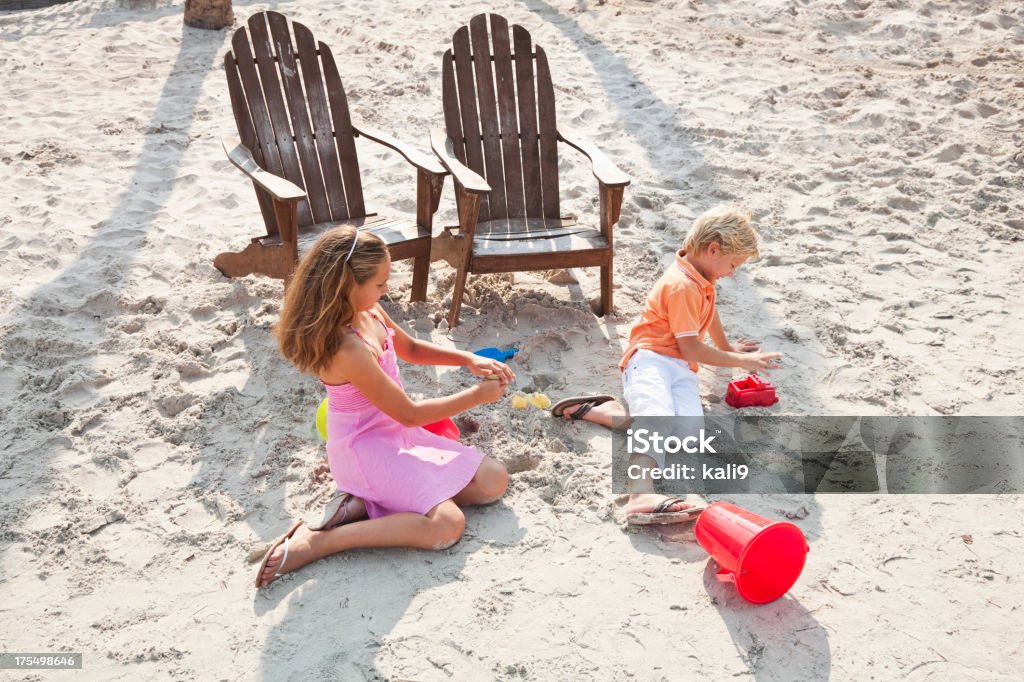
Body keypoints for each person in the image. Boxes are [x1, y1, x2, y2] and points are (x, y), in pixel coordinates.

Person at [255, 227, 514, 588]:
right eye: (379, 283)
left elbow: (410, 348)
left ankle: (370, 505)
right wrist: (476, 396)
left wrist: (467, 359)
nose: (386, 290)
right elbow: (408, 412)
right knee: (448, 525)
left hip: (399, 437)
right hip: (365, 449)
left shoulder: (369, 310)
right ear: (347, 285)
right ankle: (321, 541)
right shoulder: (346, 348)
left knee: (494, 480)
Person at [551, 207, 782, 524]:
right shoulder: (682, 285)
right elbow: (691, 346)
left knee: (687, 435)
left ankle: (602, 411)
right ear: (713, 248)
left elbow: (709, 312)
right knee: (658, 419)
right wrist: (740, 360)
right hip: (651, 359)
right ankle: (640, 493)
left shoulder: (703, 276)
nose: (732, 272)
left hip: (681, 366)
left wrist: (728, 348)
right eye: (732, 264)